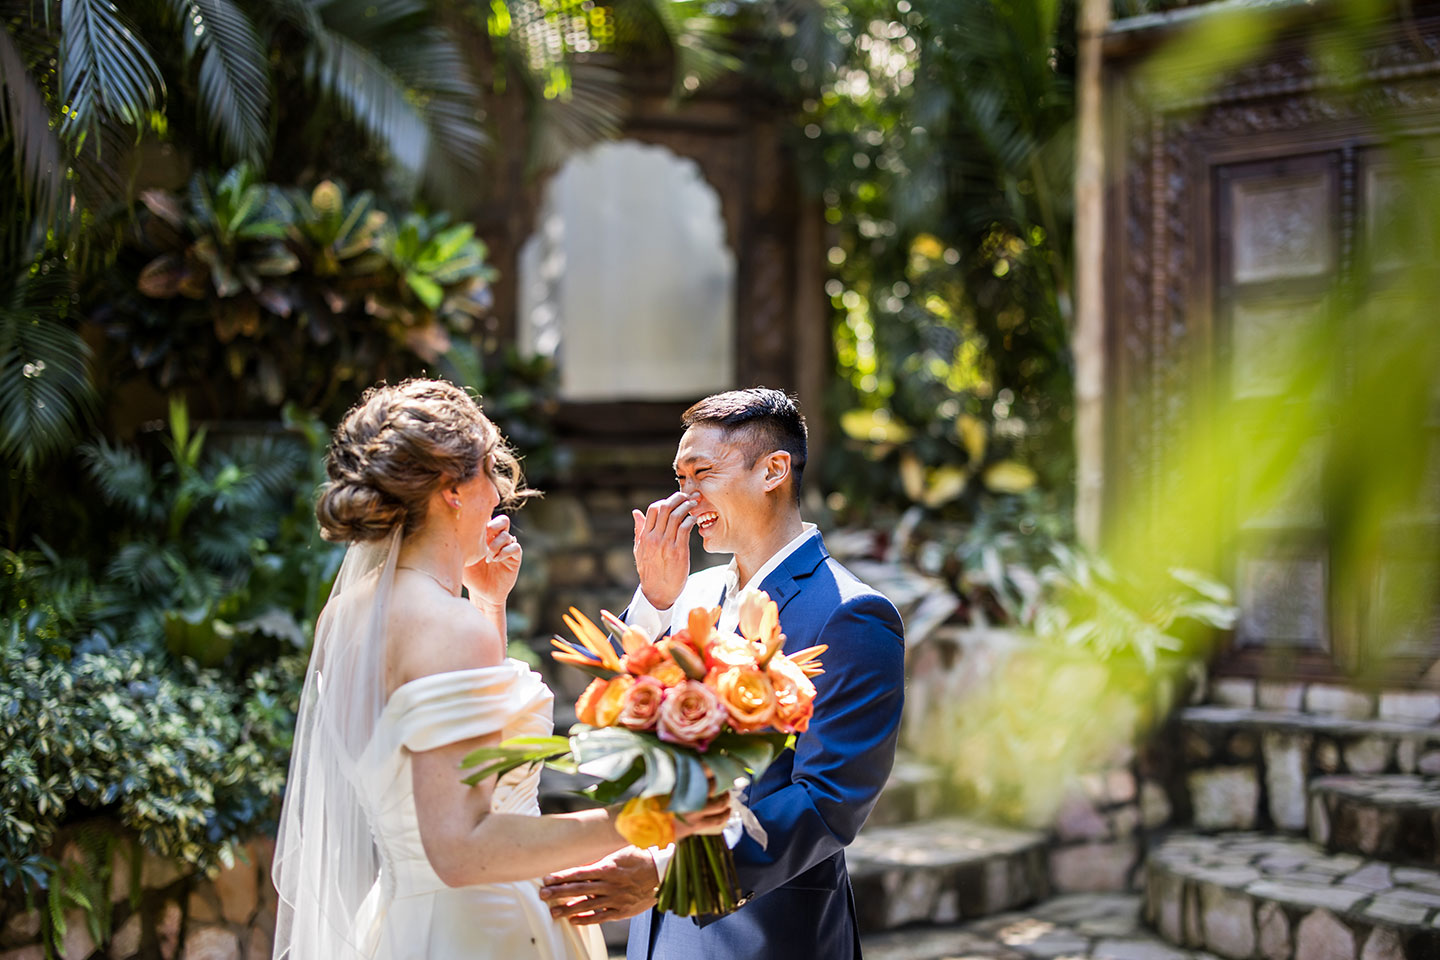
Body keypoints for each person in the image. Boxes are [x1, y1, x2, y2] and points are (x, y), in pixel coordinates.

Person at [271, 379, 730, 960]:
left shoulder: (349, 611)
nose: (499, 495)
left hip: (410, 919)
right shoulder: (444, 626)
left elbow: (433, 755)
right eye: (490, 473)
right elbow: (463, 846)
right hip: (484, 928)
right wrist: (645, 820)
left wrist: (487, 603)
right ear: (451, 489)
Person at [539, 388, 906, 960]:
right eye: (679, 478)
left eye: (702, 473)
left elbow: (826, 800)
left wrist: (668, 870)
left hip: (765, 931)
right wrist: (656, 603)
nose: (684, 497)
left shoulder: (851, 613)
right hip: (657, 935)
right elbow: (621, 728)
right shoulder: (690, 594)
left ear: (774, 471)